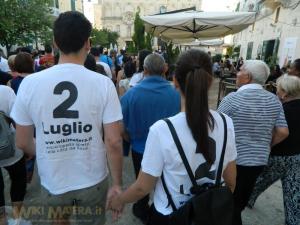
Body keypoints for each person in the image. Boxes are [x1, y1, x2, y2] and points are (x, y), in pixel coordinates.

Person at [10, 11, 123, 225]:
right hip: (93, 177)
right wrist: (117, 185)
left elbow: (22, 142)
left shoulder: (30, 84)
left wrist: (48, 148)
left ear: (55, 43)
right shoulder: (103, 84)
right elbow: (114, 141)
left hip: (54, 177)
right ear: (88, 43)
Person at [108, 49, 237, 224]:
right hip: (209, 212)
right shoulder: (226, 122)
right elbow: (230, 181)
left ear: (175, 81)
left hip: (170, 214)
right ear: (210, 81)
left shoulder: (161, 130)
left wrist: (119, 200)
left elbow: (142, 188)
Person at [218, 60, 289, 225]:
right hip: (258, 161)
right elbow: (283, 131)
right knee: (240, 200)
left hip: (232, 161)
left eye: (240, 71)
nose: (236, 73)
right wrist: (266, 145)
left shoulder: (232, 99)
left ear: (247, 77)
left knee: (226, 202)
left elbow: (215, 127)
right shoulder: (274, 100)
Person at [120, 53, 180, 223]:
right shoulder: (176, 95)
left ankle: (141, 207)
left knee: (142, 183)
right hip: (171, 150)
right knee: (167, 182)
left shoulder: (130, 96)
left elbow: (121, 128)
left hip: (140, 148)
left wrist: (130, 140)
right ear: (165, 69)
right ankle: (164, 208)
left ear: (144, 70)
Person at [248, 74, 300, 225]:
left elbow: (278, 132)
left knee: (260, 180)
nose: (276, 92)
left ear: (285, 93)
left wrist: (268, 146)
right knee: (294, 194)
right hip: (297, 157)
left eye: (278, 89)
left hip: (278, 155)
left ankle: (246, 199)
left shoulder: (281, 110)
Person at [0, 85, 28, 225]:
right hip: (10, 148)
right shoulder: (5, 91)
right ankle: (17, 219)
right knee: (18, 179)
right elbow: (18, 118)